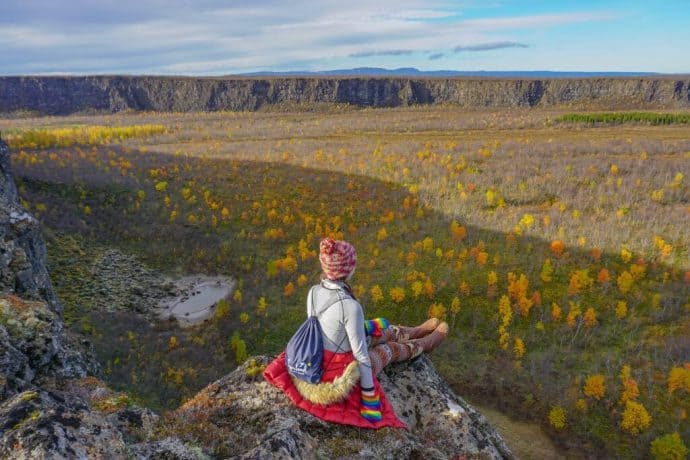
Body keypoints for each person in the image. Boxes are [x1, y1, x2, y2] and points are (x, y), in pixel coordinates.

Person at [263, 237, 449, 429]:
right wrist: (369, 395)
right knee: (387, 350)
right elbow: (360, 356)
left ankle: (414, 331)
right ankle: (423, 345)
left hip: (317, 356)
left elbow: (328, 328)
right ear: (349, 270)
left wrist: (365, 328)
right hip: (336, 374)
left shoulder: (313, 291)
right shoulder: (350, 307)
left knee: (377, 329)